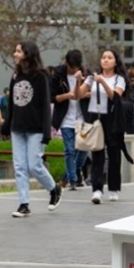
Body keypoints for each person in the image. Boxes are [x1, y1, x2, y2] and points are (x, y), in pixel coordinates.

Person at [0, 40, 63, 218]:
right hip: (17, 128)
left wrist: (46, 133)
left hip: (35, 128)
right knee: (20, 167)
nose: (15, 54)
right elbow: (12, 104)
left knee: (34, 165)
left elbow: (45, 105)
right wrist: (6, 126)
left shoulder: (41, 77)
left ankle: (54, 188)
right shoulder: (15, 76)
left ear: (27, 54)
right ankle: (24, 204)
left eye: (18, 51)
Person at [78, 48, 128, 204]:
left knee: (114, 153)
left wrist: (103, 83)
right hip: (95, 116)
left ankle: (113, 188)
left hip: (112, 117)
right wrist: (80, 81)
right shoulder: (92, 78)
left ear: (115, 62)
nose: (106, 60)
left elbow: (116, 96)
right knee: (97, 152)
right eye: (103, 57)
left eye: (109, 58)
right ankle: (97, 189)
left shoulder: (119, 79)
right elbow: (79, 94)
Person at [50, 49, 89, 190]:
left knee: (84, 149)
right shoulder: (58, 74)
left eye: (77, 67)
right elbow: (51, 97)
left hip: (82, 117)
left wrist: (81, 91)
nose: (75, 70)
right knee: (70, 150)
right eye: (72, 67)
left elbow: (91, 92)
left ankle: (66, 177)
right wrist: (67, 95)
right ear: (66, 62)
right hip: (66, 117)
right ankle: (73, 180)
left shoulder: (85, 73)